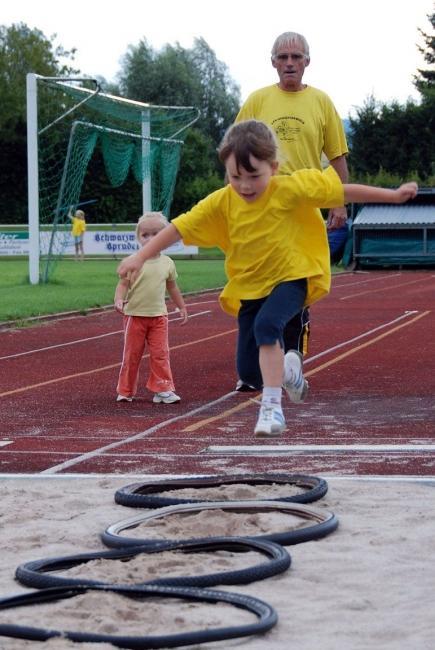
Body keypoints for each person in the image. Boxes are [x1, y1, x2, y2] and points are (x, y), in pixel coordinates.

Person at [117, 120, 417, 437]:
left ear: (273, 168)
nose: (245, 186)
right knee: (249, 372)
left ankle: (272, 410)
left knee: (267, 327)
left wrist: (393, 196)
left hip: (292, 276)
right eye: (236, 177)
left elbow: (342, 191)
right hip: (251, 287)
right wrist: (139, 256)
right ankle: (289, 372)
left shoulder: (290, 189)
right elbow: (178, 227)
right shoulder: (221, 201)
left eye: (253, 177)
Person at [234, 31, 349, 390]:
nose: (289, 63)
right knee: (256, 287)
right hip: (260, 212)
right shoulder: (256, 101)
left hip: (303, 212)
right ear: (272, 62)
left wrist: (338, 203)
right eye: (282, 57)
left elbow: (337, 159)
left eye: (296, 57)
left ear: (306, 62)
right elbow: (236, 150)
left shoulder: (321, 102)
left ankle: (292, 360)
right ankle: (254, 370)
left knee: (295, 288)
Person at [114, 211, 188, 405]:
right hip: (135, 317)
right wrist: (119, 300)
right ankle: (126, 390)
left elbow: (172, 287)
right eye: (145, 235)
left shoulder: (167, 263)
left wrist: (181, 307)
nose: (150, 239)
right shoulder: (133, 262)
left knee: (161, 354)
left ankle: (163, 389)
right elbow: (123, 284)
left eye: (156, 234)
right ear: (138, 237)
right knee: (132, 355)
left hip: (159, 317)